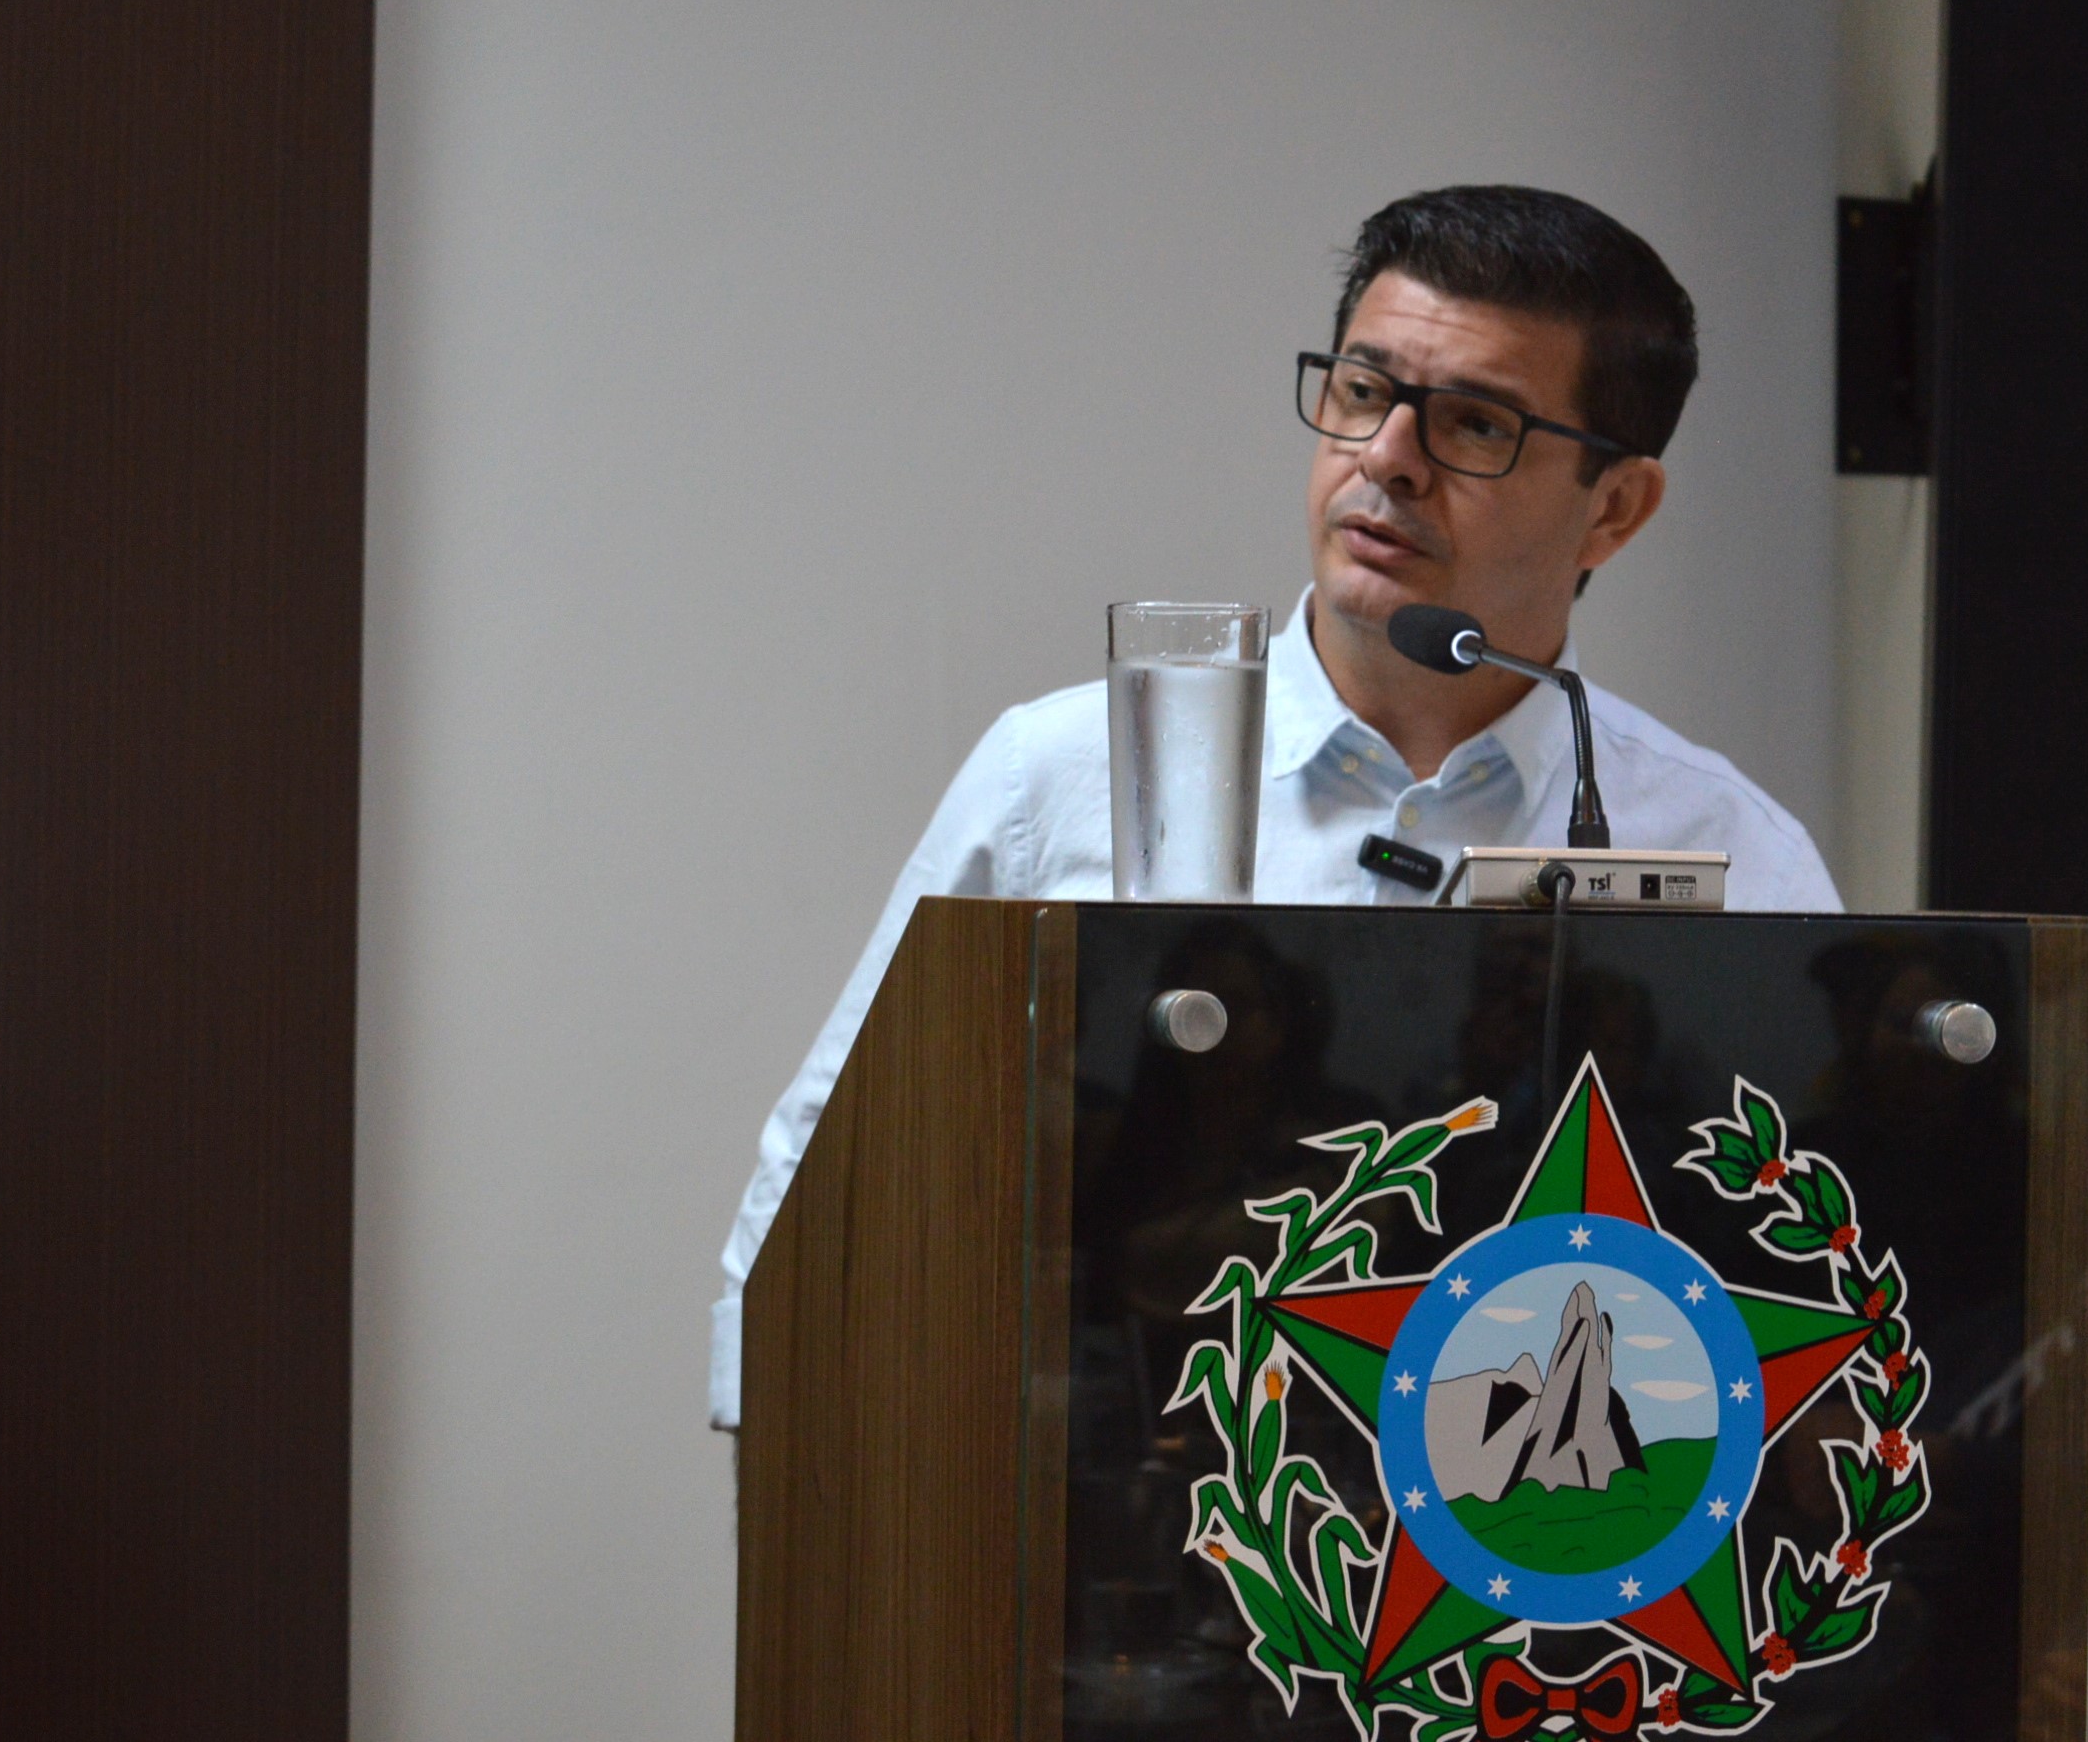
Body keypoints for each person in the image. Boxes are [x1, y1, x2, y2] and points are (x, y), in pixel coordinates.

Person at [708, 184, 1841, 1427]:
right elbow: (840, 1153)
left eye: (1474, 424)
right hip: (1116, 1477)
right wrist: (779, 1446)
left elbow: (1795, 1261)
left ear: (1613, 506)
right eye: (1361, 390)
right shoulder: (1063, 773)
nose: (1385, 458)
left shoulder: (1726, 847)